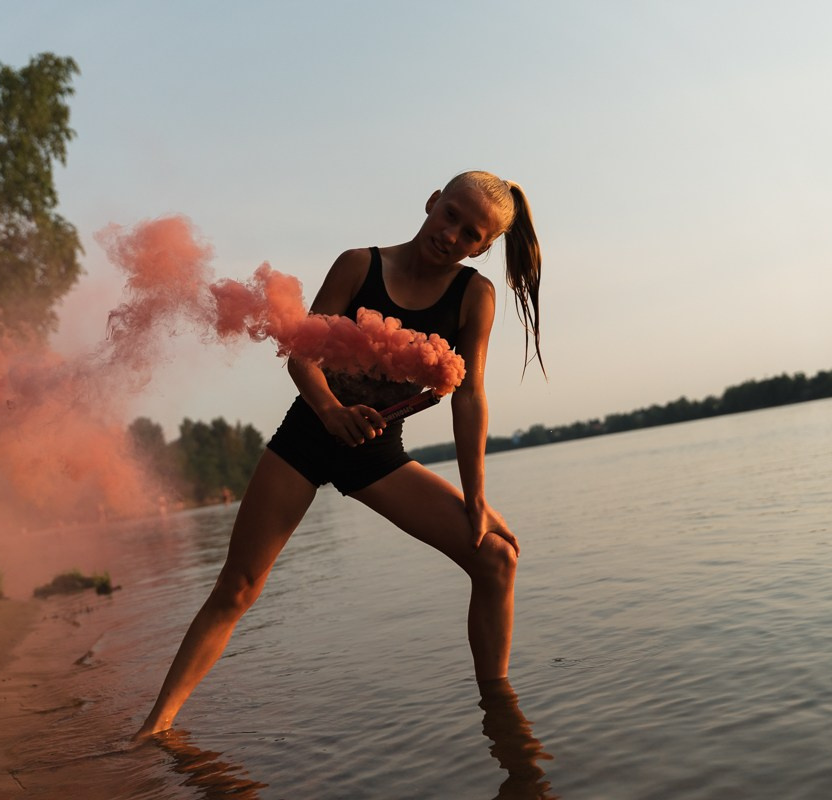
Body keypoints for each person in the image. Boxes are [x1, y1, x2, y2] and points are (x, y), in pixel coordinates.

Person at [136, 170, 543, 740]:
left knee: (498, 558)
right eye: (449, 214)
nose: (451, 234)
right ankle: (155, 729)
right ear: (432, 201)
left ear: (484, 246)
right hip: (307, 437)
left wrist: (476, 497)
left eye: (470, 232)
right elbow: (303, 354)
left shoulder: (475, 296)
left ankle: (500, 718)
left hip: (376, 456)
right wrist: (330, 411)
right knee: (237, 587)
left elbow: (470, 395)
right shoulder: (360, 265)